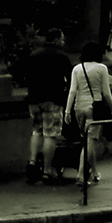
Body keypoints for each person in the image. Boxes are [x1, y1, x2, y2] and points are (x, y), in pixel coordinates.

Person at [23, 28, 75, 183]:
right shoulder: (61, 56)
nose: (63, 42)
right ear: (57, 39)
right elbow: (69, 78)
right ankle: (47, 170)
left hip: (34, 99)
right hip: (53, 99)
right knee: (50, 135)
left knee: (37, 131)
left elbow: (27, 76)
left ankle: (32, 162)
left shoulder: (34, 54)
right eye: (62, 39)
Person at [64, 42, 112, 185]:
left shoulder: (77, 69)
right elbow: (106, 92)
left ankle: (95, 171)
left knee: (86, 140)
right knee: (89, 141)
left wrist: (68, 110)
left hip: (79, 106)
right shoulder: (102, 68)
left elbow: (72, 90)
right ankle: (80, 175)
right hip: (94, 107)